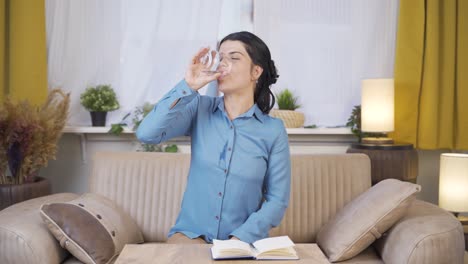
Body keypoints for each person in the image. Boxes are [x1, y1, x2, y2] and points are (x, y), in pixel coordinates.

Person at [136, 31, 291, 244]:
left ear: (256, 71)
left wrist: (239, 239)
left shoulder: (273, 130)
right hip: (191, 237)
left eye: (234, 58)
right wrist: (188, 86)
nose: (222, 64)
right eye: (221, 57)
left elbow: (277, 200)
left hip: (242, 243)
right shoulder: (198, 108)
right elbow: (147, 134)